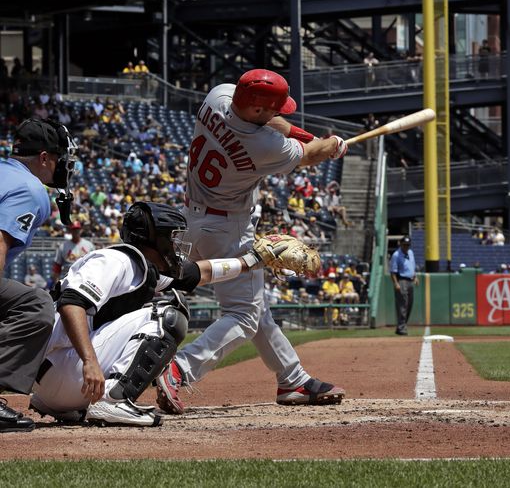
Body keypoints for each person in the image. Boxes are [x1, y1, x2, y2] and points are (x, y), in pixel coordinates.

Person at [154, 68, 348, 416]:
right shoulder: (264, 146)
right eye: (273, 108)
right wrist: (332, 145)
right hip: (228, 229)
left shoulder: (219, 96)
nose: (277, 114)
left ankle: (293, 378)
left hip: (189, 221)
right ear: (258, 110)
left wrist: (309, 135)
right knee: (244, 314)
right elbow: (310, 153)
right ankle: (179, 368)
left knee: (255, 307)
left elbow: (270, 122)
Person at [28, 201, 283, 427]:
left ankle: (73, 402)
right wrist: (89, 361)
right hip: (65, 367)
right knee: (169, 314)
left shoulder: (141, 268)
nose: (175, 245)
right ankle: (114, 399)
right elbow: (71, 303)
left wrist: (252, 260)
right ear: (153, 239)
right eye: (170, 238)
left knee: (165, 308)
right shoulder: (114, 260)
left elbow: (201, 272)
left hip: (59, 382)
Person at [0, 118, 77, 432]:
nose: (61, 167)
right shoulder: (31, 189)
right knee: (35, 304)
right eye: (58, 159)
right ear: (44, 158)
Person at [390, 236, 417, 336]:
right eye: (404, 245)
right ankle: (401, 327)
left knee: (409, 304)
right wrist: (396, 283)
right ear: (400, 244)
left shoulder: (410, 252)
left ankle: (401, 326)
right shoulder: (396, 255)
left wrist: (415, 276)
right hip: (401, 280)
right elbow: (393, 272)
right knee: (402, 305)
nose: (406, 247)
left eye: (408, 245)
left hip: (410, 280)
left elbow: (412, 266)